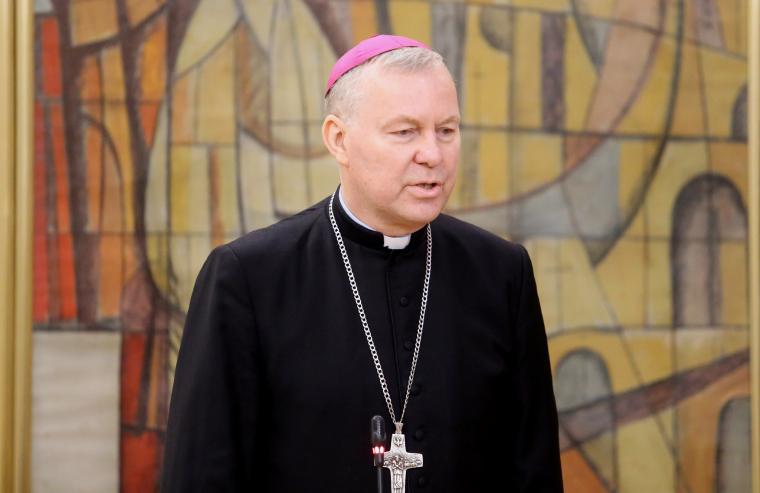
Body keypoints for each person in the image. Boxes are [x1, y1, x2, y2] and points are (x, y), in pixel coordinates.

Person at [161, 34, 563, 492]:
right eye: (405, 132)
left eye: (447, 130)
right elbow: (201, 477)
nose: (432, 154)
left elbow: (534, 471)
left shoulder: (501, 273)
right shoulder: (248, 278)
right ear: (339, 140)